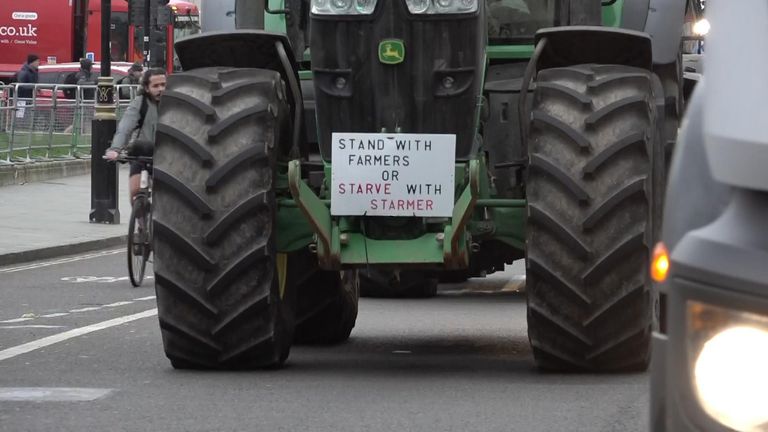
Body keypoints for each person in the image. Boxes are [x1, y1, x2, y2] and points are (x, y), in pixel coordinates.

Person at [104, 68, 167, 204]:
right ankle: (141, 221)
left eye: (163, 85)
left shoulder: (175, 104)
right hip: (143, 152)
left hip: (167, 156)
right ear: (146, 87)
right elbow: (125, 127)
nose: (160, 89)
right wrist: (115, 149)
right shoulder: (140, 103)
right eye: (155, 86)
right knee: (135, 191)